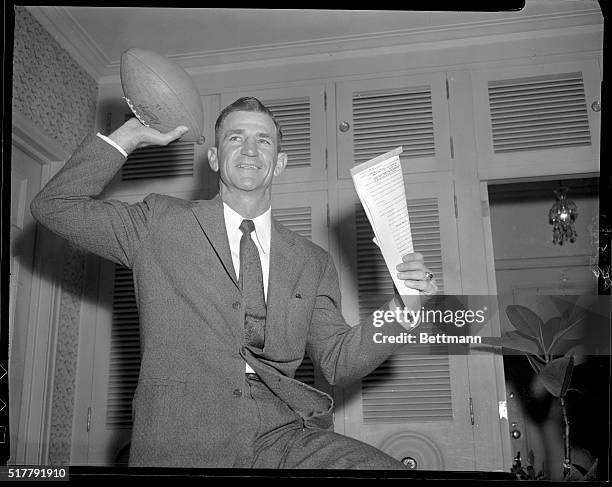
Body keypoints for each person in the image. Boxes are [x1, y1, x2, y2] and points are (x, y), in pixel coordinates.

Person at [30, 97, 438, 469]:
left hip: (283, 434)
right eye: (235, 138)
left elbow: (337, 360)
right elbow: (55, 207)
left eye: (264, 141)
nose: (249, 150)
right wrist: (130, 136)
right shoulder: (158, 223)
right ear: (213, 157)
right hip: (181, 438)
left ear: (278, 162)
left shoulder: (312, 261)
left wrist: (402, 311)